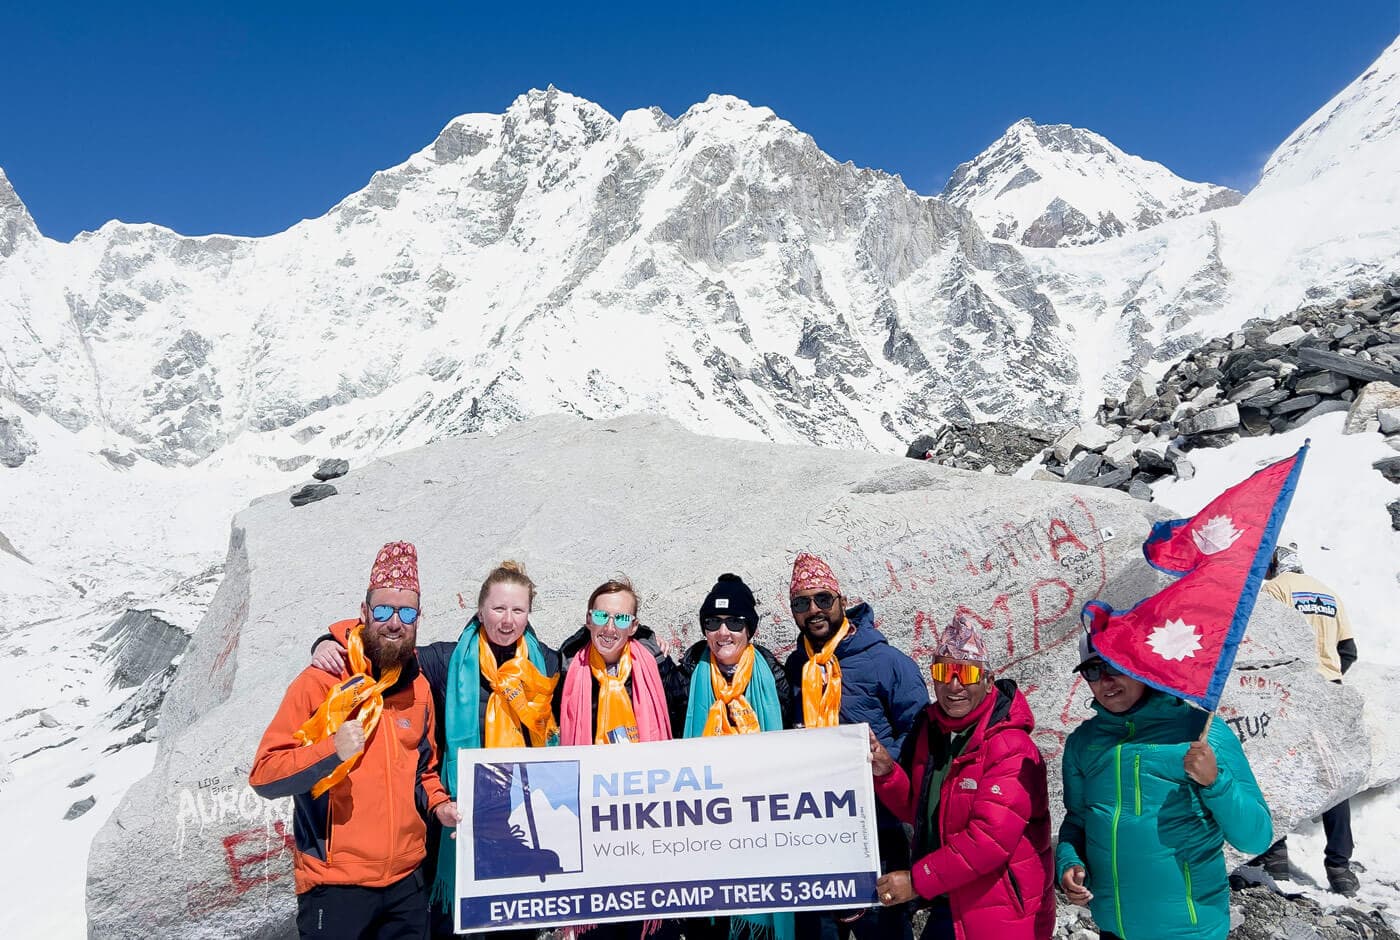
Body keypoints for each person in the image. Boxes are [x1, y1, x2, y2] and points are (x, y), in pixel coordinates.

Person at [311, 559, 561, 939]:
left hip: (521, 822)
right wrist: (330, 641)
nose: (507, 620)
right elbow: (387, 648)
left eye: (517, 610)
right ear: (480, 610)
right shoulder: (446, 661)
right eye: (498, 608)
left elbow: (598, 656)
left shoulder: (548, 664)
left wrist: (646, 641)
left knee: (516, 926)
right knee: (457, 925)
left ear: (528, 614)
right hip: (457, 820)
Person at [252, 540, 453, 939]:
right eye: (382, 610)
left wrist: (440, 806)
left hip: (406, 886)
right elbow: (265, 775)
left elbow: (424, 772)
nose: (394, 622)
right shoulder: (321, 682)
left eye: (406, 612)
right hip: (335, 888)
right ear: (363, 613)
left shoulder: (419, 689)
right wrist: (332, 750)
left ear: (418, 618)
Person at [1056, 633, 1274, 940]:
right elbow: (1078, 821)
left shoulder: (1201, 733)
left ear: (1141, 665)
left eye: (1116, 665)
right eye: (1093, 671)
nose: (1106, 680)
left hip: (1190, 930)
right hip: (1114, 928)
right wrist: (1069, 863)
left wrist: (1216, 783)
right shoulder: (1084, 742)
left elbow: (1256, 836)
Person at [869, 614, 1054, 940]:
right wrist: (886, 773)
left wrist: (916, 881)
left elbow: (989, 840)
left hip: (999, 910)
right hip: (950, 899)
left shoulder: (1011, 745)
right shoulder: (931, 730)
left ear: (987, 679)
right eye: (943, 673)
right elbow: (920, 811)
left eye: (965, 674)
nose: (954, 686)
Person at [781, 552, 928, 940]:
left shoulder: (888, 663)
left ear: (842, 601)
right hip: (815, 834)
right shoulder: (795, 669)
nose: (813, 610)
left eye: (823, 599)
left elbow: (919, 736)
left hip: (877, 829)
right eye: (802, 603)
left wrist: (881, 762)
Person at [669, 573, 795, 940]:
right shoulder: (688, 676)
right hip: (705, 824)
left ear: (750, 629)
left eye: (735, 622)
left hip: (759, 821)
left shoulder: (775, 677)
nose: (724, 632)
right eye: (713, 623)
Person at [557, 577, 676, 940]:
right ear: (588, 619)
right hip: (592, 827)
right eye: (602, 616)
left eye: (621, 619)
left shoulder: (658, 671)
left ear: (634, 626)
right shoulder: (566, 674)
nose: (610, 628)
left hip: (647, 823)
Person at [1251, 542, 1360, 895]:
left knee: (1275, 765)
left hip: (1289, 690)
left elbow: (1268, 641)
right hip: (1329, 690)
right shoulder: (1329, 592)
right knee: (1332, 774)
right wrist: (1328, 676)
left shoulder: (1274, 589)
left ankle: (1276, 850)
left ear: (1274, 565)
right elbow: (1348, 650)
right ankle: (1339, 865)